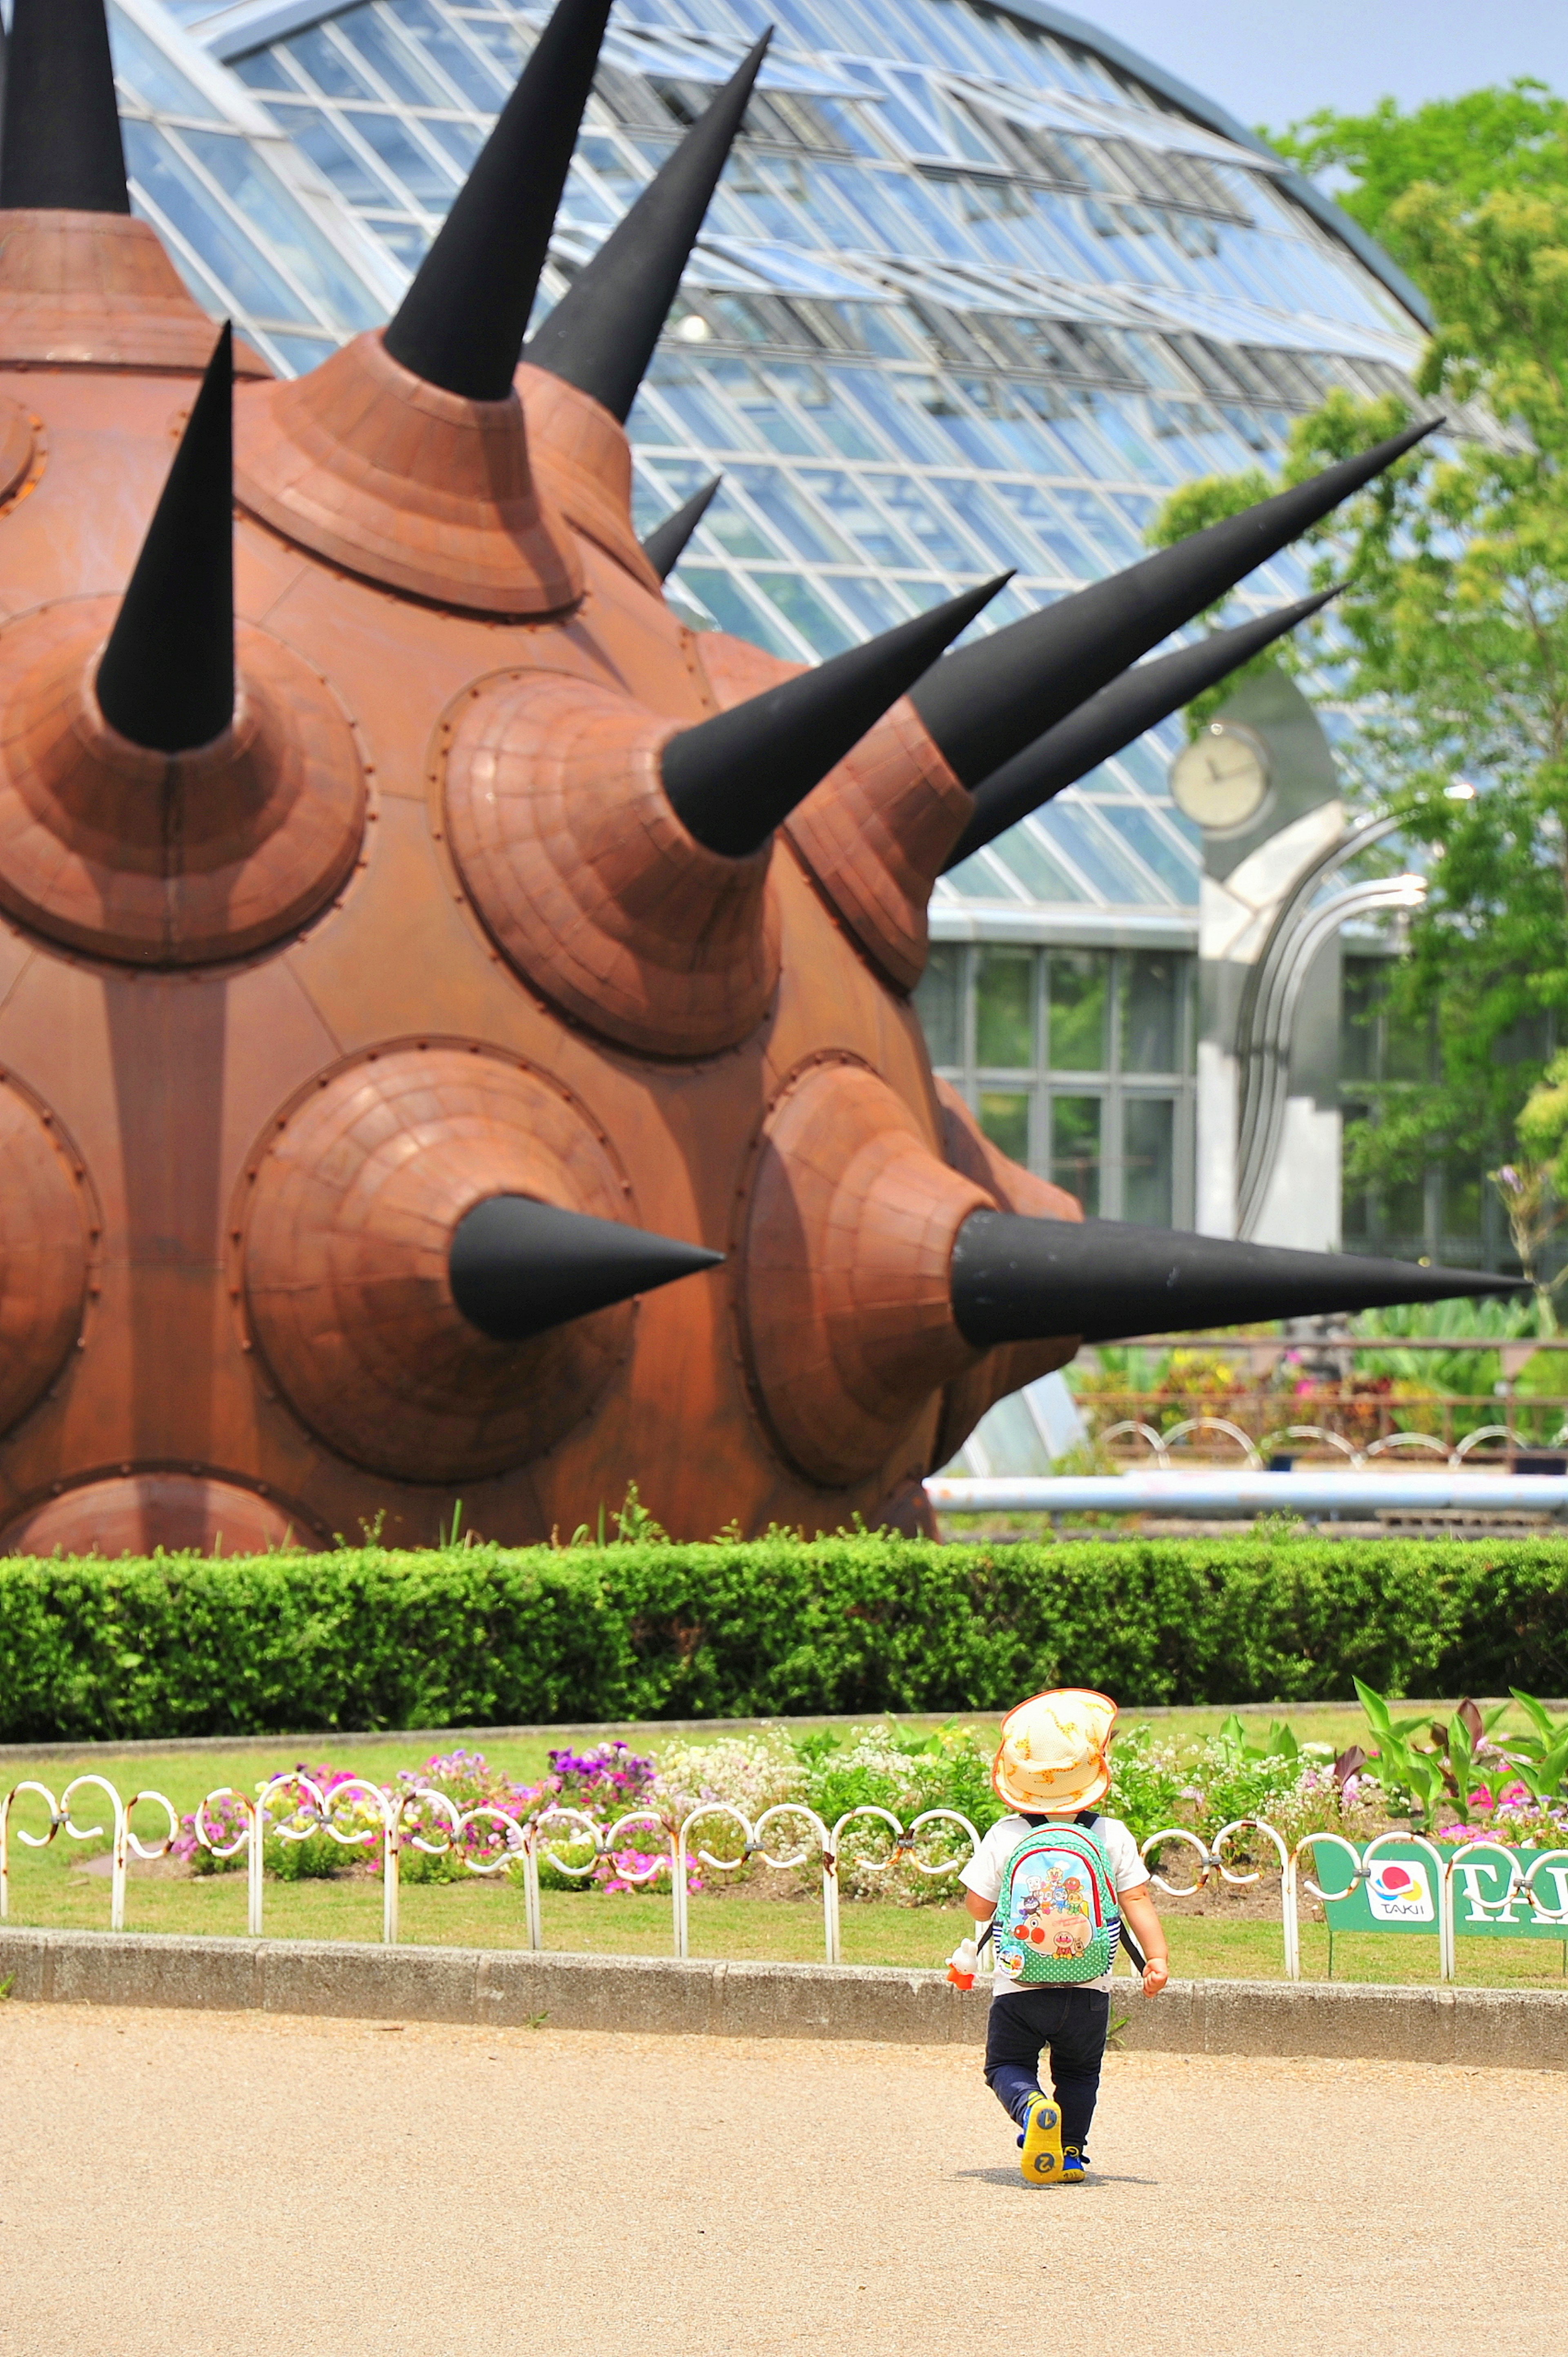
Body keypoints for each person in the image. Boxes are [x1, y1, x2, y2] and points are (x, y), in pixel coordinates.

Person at [958, 1687, 1168, 2185]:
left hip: (1019, 1986)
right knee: (1078, 2073)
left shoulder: (1007, 1835)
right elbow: (1136, 1899)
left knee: (1007, 2063)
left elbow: (980, 1906)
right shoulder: (1110, 1833)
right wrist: (1155, 1958)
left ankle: (1031, 2110)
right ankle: (1071, 2152)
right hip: (1089, 1987)